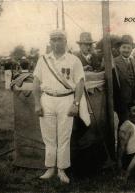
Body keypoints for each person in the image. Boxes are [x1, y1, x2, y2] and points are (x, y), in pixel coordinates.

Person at [32, 29, 89, 184]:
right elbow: (36, 83)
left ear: (66, 41)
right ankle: (50, 167)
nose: (56, 42)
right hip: (47, 99)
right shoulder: (43, 59)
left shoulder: (73, 60)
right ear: (50, 42)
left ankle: (62, 169)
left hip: (66, 100)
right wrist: (37, 103)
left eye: (60, 39)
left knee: (64, 137)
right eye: (53, 39)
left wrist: (76, 104)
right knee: (48, 137)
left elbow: (80, 83)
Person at [113, 35, 135, 129]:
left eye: (129, 48)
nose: (126, 50)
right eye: (124, 47)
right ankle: (121, 143)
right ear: (119, 49)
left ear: (132, 49)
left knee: (134, 123)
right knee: (124, 124)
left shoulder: (133, 61)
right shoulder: (114, 62)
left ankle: (132, 143)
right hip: (122, 101)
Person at [118, 101, 135, 171]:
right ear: (129, 112)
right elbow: (121, 147)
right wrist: (120, 165)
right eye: (134, 111)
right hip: (132, 158)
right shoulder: (127, 126)